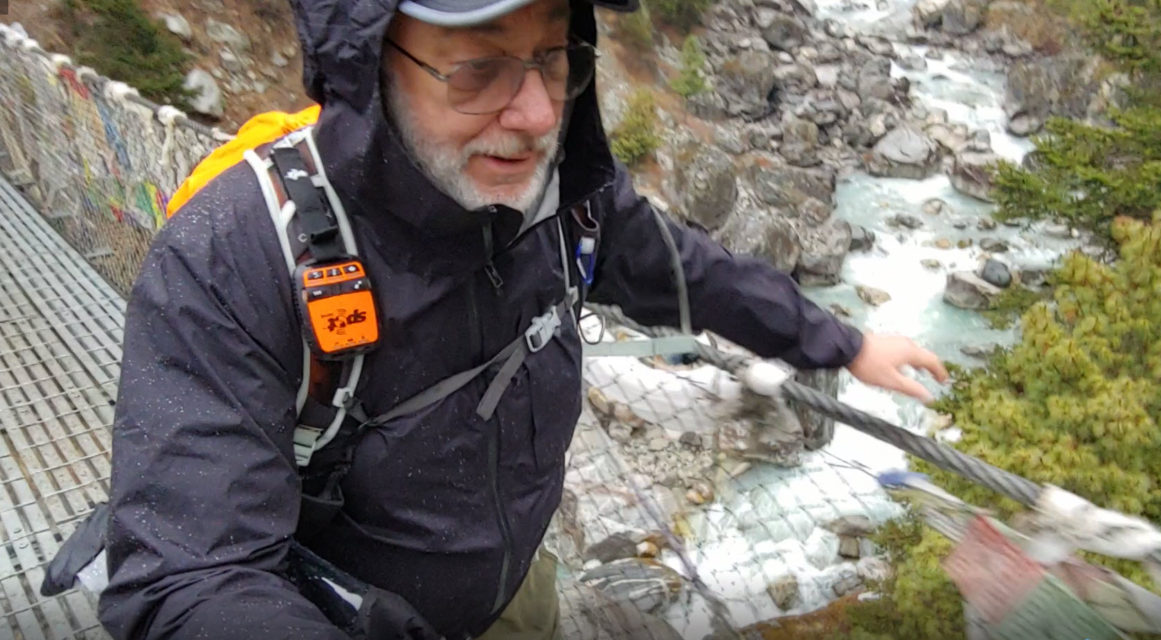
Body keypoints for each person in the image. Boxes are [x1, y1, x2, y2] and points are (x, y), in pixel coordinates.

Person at [98, 0, 949, 638]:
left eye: (553, 57)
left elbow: (687, 273)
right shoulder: (237, 254)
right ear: (365, 61)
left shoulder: (563, 199)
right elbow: (194, 578)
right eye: (478, 66)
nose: (539, 114)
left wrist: (844, 341)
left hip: (514, 591)